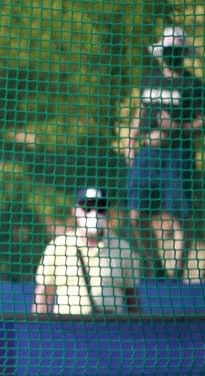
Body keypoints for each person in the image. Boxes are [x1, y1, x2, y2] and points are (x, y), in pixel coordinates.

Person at [125, 26, 205, 280]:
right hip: (147, 154)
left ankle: (178, 273)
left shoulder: (193, 84)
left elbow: (202, 123)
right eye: (168, 51)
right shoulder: (150, 78)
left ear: (183, 53)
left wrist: (176, 127)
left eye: (176, 51)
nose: (171, 55)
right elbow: (142, 109)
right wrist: (130, 138)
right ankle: (155, 266)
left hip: (177, 155)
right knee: (136, 214)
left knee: (180, 215)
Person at [32, 187, 141, 316]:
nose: (93, 213)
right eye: (87, 208)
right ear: (75, 211)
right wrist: (38, 327)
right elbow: (44, 293)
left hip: (109, 330)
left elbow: (133, 297)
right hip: (66, 330)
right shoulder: (57, 247)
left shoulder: (123, 249)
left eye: (100, 208)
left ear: (107, 213)